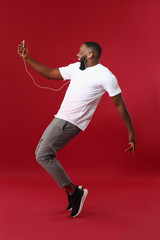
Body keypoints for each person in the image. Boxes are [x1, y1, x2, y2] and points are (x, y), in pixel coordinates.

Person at [17, 41, 136, 218]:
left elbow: (119, 103)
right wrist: (27, 58)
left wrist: (131, 132)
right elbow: (50, 74)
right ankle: (73, 190)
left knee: (42, 155)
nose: (76, 54)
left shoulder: (105, 75)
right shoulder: (76, 68)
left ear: (90, 55)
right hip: (60, 118)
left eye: (80, 51)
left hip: (71, 122)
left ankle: (74, 192)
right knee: (40, 153)